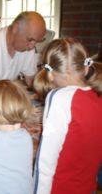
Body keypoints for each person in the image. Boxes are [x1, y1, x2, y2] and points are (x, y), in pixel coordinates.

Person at [32, 38, 102, 194]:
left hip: (61, 189)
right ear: (85, 69)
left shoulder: (59, 97)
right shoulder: (98, 96)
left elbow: (45, 162)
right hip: (88, 188)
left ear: (50, 74)